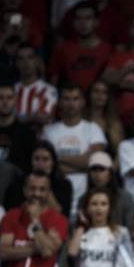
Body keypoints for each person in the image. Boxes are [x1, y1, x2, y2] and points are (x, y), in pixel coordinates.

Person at [42, 83, 108, 217]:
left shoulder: (93, 129)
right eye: (66, 99)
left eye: (75, 99)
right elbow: (45, 165)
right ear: (59, 102)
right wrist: (82, 164)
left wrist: (58, 160)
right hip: (56, 198)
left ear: (83, 102)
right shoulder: (48, 131)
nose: (71, 103)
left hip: (87, 200)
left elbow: (94, 163)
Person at [0, 173, 69, 267]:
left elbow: (47, 252)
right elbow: (3, 253)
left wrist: (35, 220)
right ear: (25, 190)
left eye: (42, 190)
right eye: (32, 188)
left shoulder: (59, 220)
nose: (36, 194)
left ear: (48, 193)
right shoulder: (11, 216)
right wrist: (36, 249)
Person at [68, 188, 130, 267]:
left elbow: (126, 264)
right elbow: (72, 252)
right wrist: (81, 225)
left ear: (109, 208)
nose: (98, 208)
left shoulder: (121, 232)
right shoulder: (79, 232)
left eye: (103, 204)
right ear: (87, 208)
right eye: (94, 204)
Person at [48, 1, 113, 93]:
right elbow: (53, 81)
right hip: (70, 102)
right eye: (78, 18)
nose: (83, 22)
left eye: (88, 18)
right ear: (73, 22)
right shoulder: (62, 48)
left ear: (96, 22)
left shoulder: (107, 49)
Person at [0, 83, 36, 173]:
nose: (5, 102)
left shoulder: (27, 133)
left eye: (9, 98)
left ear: (15, 101)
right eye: (0, 97)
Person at [87, 150, 134, 230]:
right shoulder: (83, 199)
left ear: (110, 173)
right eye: (94, 169)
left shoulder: (125, 197)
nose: (97, 174)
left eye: (101, 169)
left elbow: (131, 227)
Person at [14, 43, 58, 126]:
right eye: (21, 58)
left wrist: (18, 118)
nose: (26, 62)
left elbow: (44, 118)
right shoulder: (12, 90)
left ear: (37, 61)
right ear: (16, 63)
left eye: (30, 57)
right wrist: (33, 116)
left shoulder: (49, 90)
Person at [85, 79, 124, 155]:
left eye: (104, 92)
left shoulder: (114, 123)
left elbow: (120, 153)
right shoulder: (81, 120)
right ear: (89, 95)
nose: (100, 95)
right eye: (96, 91)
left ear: (108, 97)